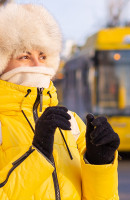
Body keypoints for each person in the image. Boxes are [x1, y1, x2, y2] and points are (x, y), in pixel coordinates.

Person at [0, 3, 120, 200]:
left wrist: (100, 163)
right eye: (24, 56)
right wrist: (38, 154)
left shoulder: (72, 124)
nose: (37, 65)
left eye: (43, 56)